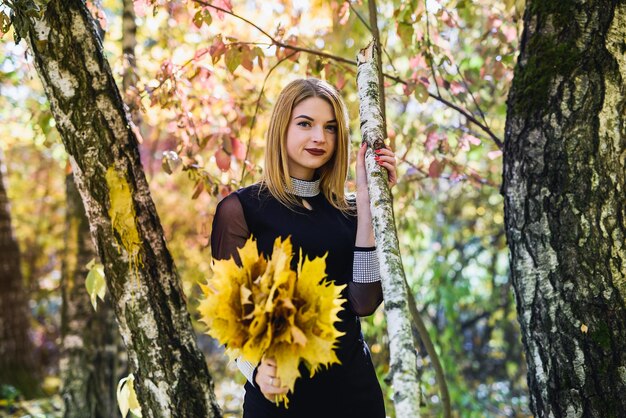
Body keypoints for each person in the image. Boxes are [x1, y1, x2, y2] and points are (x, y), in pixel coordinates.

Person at [210, 78, 396, 418]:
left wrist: (368, 203)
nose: (319, 138)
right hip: (280, 398)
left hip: (355, 397)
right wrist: (253, 371)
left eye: (330, 128)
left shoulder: (350, 212)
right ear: (282, 128)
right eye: (305, 124)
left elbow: (364, 301)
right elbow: (229, 316)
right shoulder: (241, 210)